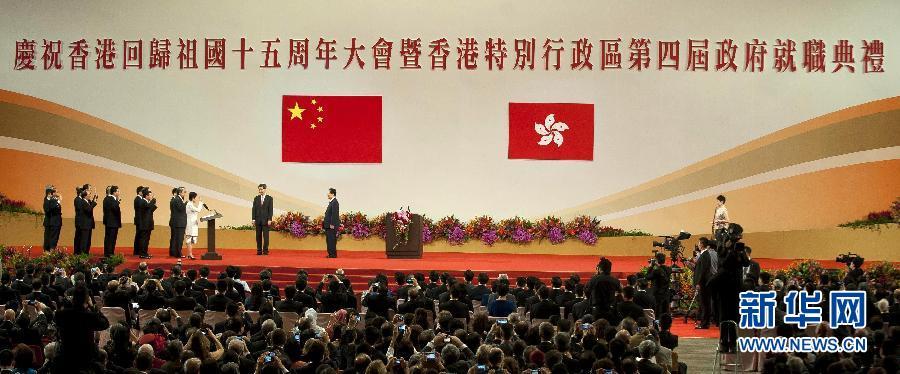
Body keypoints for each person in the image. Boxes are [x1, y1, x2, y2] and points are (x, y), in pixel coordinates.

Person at [52, 285, 109, 373]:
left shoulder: (60, 314)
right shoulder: (90, 316)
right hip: (86, 356)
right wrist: (93, 307)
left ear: (73, 298)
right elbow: (105, 324)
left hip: (66, 353)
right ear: (86, 299)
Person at [692, 237, 717, 329]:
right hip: (703, 283)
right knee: (704, 303)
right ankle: (704, 322)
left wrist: (698, 283)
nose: (698, 245)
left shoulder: (705, 255)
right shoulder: (704, 254)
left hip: (703, 283)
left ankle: (704, 323)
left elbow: (703, 271)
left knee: (704, 303)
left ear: (702, 244)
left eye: (699, 243)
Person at [73, 184, 98, 255]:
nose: (90, 192)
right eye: (88, 190)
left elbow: (90, 206)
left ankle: (84, 253)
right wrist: (93, 203)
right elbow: (88, 209)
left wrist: (94, 199)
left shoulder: (86, 200)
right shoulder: (79, 200)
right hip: (82, 223)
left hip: (87, 223)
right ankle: (80, 253)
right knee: (82, 239)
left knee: (86, 240)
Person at [252, 184, 274, 256]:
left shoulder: (269, 198)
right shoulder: (256, 198)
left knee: (266, 237)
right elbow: (254, 209)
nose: (260, 191)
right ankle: (259, 251)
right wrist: (253, 219)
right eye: (259, 189)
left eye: (261, 189)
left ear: (265, 189)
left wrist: (270, 219)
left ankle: (265, 251)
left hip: (266, 221)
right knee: (258, 237)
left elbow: (270, 210)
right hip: (258, 220)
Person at [135, 188, 157, 259]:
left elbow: (149, 211)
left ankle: (145, 252)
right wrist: (153, 200)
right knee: (143, 239)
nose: (151, 197)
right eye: (150, 195)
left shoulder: (146, 202)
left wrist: (154, 205)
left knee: (147, 239)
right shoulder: (142, 201)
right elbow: (147, 207)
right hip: (144, 224)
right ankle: (142, 253)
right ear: (146, 196)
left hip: (148, 224)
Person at [102, 185, 122, 258]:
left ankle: (109, 252)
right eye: (118, 191)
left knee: (110, 238)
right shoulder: (111, 199)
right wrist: (118, 202)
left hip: (111, 222)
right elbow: (114, 208)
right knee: (111, 238)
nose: (119, 193)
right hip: (112, 222)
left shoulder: (108, 199)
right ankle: (109, 253)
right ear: (114, 192)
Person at [168, 187, 187, 258]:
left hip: (176, 222)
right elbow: (180, 208)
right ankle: (178, 253)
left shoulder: (175, 199)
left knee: (175, 238)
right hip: (179, 222)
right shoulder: (177, 199)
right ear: (180, 192)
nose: (185, 193)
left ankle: (173, 252)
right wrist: (186, 203)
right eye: (184, 192)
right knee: (179, 238)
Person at [42, 186, 62, 251]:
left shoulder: (54, 199)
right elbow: (48, 209)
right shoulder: (48, 199)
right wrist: (58, 201)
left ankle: (51, 249)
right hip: (51, 221)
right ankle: (48, 250)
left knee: (54, 237)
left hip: (55, 221)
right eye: (56, 192)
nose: (58, 193)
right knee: (49, 237)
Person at [184, 192, 203, 260]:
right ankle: (190, 254)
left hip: (193, 224)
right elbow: (198, 210)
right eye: (196, 198)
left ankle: (189, 254)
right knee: (189, 238)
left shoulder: (191, 204)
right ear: (193, 198)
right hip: (190, 224)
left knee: (192, 240)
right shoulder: (189, 204)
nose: (197, 199)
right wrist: (200, 202)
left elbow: (195, 213)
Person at [323, 188, 340, 258]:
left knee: (331, 240)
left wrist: (332, 224)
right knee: (329, 240)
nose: (327, 194)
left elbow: (334, 214)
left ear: (332, 194)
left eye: (329, 193)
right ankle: (331, 254)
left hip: (331, 226)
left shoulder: (335, 202)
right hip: (328, 225)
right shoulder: (332, 202)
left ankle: (332, 254)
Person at [132, 185, 144, 257]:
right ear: (139, 192)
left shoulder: (140, 199)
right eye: (143, 191)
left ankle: (137, 251)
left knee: (139, 235)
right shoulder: (138, 199)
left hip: (140, 220)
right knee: (139, 235)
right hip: (139, 220)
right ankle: (137, 251)